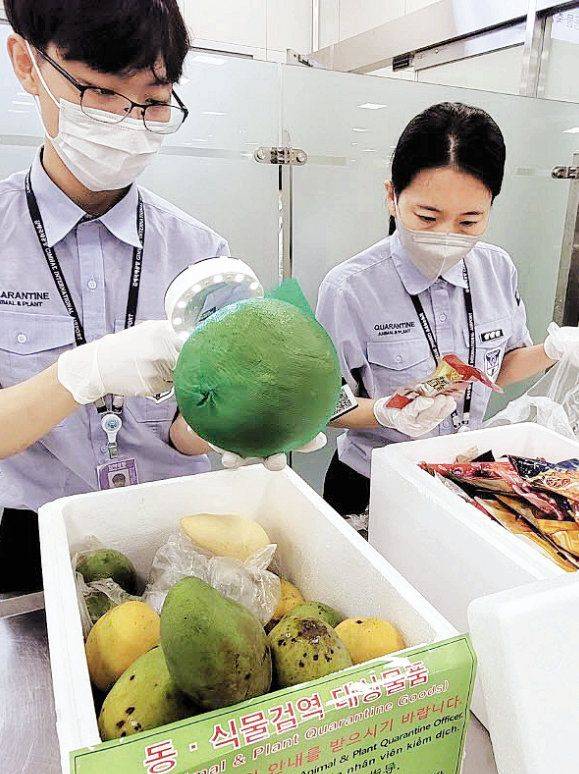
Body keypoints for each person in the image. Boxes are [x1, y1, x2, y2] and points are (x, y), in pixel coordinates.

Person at [0, 0, 230, 594]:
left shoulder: (201, 252)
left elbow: (186, 431)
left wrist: (240, 417)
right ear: (27, 63)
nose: (129, 121)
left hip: (174, 532)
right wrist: (81, 374)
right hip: (35, 537)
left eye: (154, 101)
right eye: (101, 92)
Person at [317, 102, 579, 517]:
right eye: (427, 216)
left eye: (469, 221)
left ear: (491, 205)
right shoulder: (351, 287)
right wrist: (388, 414)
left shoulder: (497, 269)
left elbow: (499, 367)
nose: (446, 236)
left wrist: (554, 349)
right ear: (392, 196)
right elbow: (325, 406)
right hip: (372, 483)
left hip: (464, 477)